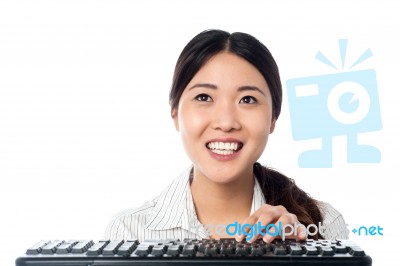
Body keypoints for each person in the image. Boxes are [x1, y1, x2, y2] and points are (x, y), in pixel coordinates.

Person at [105, 29, 349, 243]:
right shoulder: (129, 232)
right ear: (175, 114)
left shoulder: (323, 225)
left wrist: (296, 255)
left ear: (273, 119)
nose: (226, 122)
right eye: (204, 97)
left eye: (247, 99)